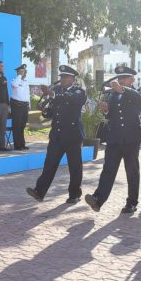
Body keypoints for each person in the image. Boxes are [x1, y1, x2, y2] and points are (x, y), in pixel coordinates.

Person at [85, 65, 141, 214]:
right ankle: (98, 199)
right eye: (119, 78)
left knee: (131, 172)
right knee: (108, 170)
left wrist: (122, 90)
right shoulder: (112, 95)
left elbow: (138, 99)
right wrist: (106, 109)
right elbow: (112, 115)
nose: (120, 81)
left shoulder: (138, 92)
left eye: (124, 78)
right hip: (114, 138)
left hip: (131, 139)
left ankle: (132, 203)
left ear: (132, 79)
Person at [26, 65, 87, 203]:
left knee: (75, 167)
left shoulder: (79, 92)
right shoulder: (57, 91)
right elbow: (51, 113)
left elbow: (71, 100)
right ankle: (39, 191)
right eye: (62, 77)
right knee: (49, 164)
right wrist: (44, 109)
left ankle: (74, 195)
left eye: (66, 77)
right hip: (57, 135)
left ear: (73, 78)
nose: (63, 80)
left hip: (73, 135)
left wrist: (52, 94)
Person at [10, 64, 31, 150]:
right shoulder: (14, 80)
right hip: (17, 105)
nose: (25, 73)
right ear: (18, 72)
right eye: (23, 71)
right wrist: (19, 75)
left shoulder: (26, 81)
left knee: (22, 125)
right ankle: (17, 145)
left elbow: (27, 94)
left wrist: (29, 104)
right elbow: (15, 85)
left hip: (24, 105)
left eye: (25, 71)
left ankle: (22, 144)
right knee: (17, 125)